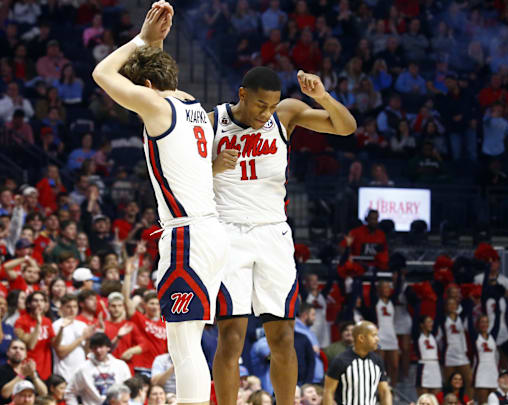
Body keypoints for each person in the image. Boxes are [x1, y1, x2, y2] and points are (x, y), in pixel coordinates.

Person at [92, 3, 229, 404]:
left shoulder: (157, 105)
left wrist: (142, 39)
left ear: (146, 88)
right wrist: (157, 46)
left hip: (188, 236)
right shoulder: (193, 106)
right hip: (210, 232)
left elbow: (101, 74)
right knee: (190, 341)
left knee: (183, 345)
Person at [210, 62, 356, 405]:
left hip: (273, 233)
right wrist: (213, 166)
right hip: (228, 232)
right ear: (242, 95)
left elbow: (345, 127)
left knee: (283, 337)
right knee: (231, 337)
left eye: (272, 106)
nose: (267, 113)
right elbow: (180, 174)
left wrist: (323, 96)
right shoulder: (212, 121)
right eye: (261, 105)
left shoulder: (284, 115)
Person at [321, 321, 392, 405]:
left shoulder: (377, 361)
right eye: (373, 335)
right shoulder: (340, 361)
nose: (377, 339)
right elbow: (328, 392)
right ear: (361, 338)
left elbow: (384, 392)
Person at [64, 333, 132, 405]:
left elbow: (128, 391)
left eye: (101, 346)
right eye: (95, 348)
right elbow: (70, 392)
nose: (98, 350)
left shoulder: (121, 365)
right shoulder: (83, 368)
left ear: (108, 347)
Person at [51, 294, 94, 382]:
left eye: (75, 306)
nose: (72, 310)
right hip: (64, 375)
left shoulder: (82, 325)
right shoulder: (57, 325)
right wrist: (81, 338)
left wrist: (88, 339)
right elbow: (61, 352)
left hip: (80, 374)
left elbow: (86, 353)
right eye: (68, 307)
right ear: (62, 308)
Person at [0, 339, 48, 405]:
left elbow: (44, 393)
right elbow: (5, 394)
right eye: (14, 348)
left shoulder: (29, 370)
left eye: (22, 349)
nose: (18, 351)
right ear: (7, 352)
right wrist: (22, 375)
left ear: (26, 354)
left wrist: (34, 376)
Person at [473, 315, 499, 404]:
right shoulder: (475, 337)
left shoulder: (493, 336)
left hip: (493, 371)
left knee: (494, 402)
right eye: (482, 322)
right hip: (481, 371)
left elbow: (497, 321)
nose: (484, 324)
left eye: (486, 322)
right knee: (482, 402)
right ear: (478, 324)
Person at [415, 316, 442, 396]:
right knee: (423, 398)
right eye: (428, 322)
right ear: (422, 325)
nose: (431, 324)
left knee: (436, 398)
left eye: (432, 322)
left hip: (435, 366)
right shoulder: (417, 336)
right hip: (424, 365)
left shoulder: (434, 336)